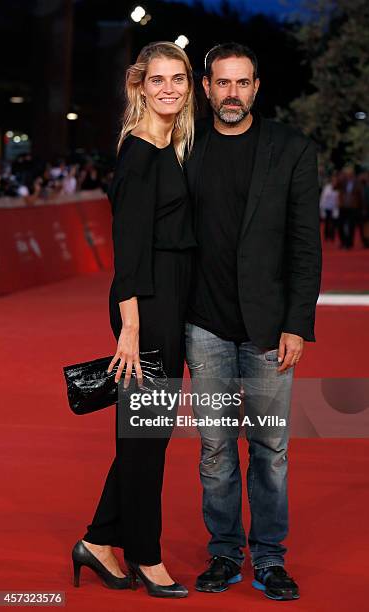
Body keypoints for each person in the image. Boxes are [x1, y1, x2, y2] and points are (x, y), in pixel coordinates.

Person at [185, 42, 322, 601]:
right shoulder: (184, 145)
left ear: (256, 87)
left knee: (270, 450)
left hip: (269, 331)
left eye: (243, 83)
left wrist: (296, 323)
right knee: (215, 450)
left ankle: (268, 559)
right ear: (207, 88)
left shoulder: (291, 149)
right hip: (205, 327)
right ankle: (224, 553)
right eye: (222, 83)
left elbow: (304, 246)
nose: (232, 94)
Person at [71, 41, 196, 598]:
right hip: (144, 307)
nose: (168, 87)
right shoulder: (141, 152)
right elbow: (127, 254)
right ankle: (146, 556)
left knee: (149, 435)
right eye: (157, 79)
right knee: (146, 437)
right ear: (139, 87)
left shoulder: (173, 147)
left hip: (168, 303)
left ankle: (98, 540)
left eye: (178, 78)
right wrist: (130, 328)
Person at [319, 172, 339, 241]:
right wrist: (321, 208)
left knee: (333, 223)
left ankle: (332, 236)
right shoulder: (327, 187)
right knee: (327, 223)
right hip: (327, 207)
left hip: (334, 208)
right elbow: (323, 198)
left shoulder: (339, 188)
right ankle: (326, 236)